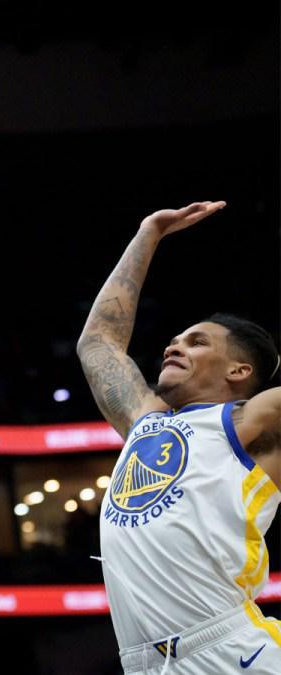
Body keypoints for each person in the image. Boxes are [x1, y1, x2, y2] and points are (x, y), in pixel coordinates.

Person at [77, 200, 280, 674]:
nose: (175, 345)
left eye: (197, 341)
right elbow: (98, 343)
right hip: (144, 665)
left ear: (239, 370)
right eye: (175, 340)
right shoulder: (144, 421)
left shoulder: (254, 421)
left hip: (231, 651)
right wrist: (148, 234)